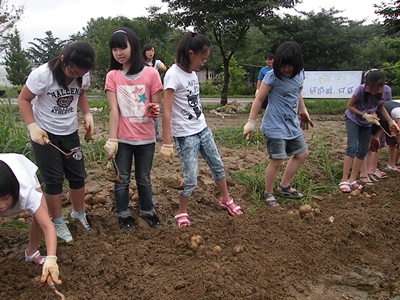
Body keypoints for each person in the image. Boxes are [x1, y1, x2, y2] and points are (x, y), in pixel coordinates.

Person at [159, 32, 243, 227]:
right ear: (190, 53)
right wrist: (167, 142)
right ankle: (181, 212)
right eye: (202, 58)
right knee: (190, 177)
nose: (203, 62)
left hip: (202, 128)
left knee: (217, 165)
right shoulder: (172, 74)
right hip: (185, 135)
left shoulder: (191, 73)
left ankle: (226, 199)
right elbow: (167, 111)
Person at [18, 41, 96, 243]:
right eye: (73, 72)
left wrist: (86, 113)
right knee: (53, 180)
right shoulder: (42, 75)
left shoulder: (82, 74)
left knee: (78, 175)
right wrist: (32, 126)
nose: (75, 76)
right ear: (63, 59)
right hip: (45, 133)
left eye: (80, 73)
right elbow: (23, 99)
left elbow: (81, 93)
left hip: (69, 131)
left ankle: (78, 213)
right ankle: (57, 220)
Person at [103, 27, 163, 230]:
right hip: (123, 138)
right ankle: (122, 213)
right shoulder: (112, 76)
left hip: (146, 138)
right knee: (122, 179)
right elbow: (113, 110)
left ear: (133, 46)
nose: (118, 53)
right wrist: (112, 140)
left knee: (144, 178)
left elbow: (156, 106)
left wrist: (154, 109)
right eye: (114, 49)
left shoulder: (151, 73)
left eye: (122, 47)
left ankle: (148, 210)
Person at [243, 42, 313, 207]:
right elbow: (259, 98)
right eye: (283, 66)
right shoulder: (272, 77)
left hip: (292, 124)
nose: (287, 69)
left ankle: (284, 186)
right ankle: (268, 192)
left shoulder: (299, 74)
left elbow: (298, 92)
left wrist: (303, 110)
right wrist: (251, 122)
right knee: (277, 160)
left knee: (302, 154)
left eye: (290, 66)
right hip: (274, 125)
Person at [0, 153, 61, 285]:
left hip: (20, 168)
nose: (1, 206)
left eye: (5, 198)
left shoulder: (26, 192)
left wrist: (51, 258)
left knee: (41, 216)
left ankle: (31, 253)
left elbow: (47, 226)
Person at [338, 70, 399, 192]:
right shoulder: (360, 90)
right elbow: (349, 106)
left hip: (368, 122)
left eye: (373, 88)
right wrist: (364, 115)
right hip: (353, 119)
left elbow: (381, 107)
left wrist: (391, 122)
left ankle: (353, 180)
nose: (369, 90)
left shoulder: (386, 91)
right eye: (368, 87)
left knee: (363, 149)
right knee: (352, 147)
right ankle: (344, 180)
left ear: (382, 86)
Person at [142, 43, 167, 142]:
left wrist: (161, 66)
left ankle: (156, 134)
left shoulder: (155, 63)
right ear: (144, 52)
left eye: (152, 50)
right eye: (148, 50)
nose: (151, 52)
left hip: (154, 91)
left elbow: (162, 66)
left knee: (154, 111)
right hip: (143, 91)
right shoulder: (140, 63)